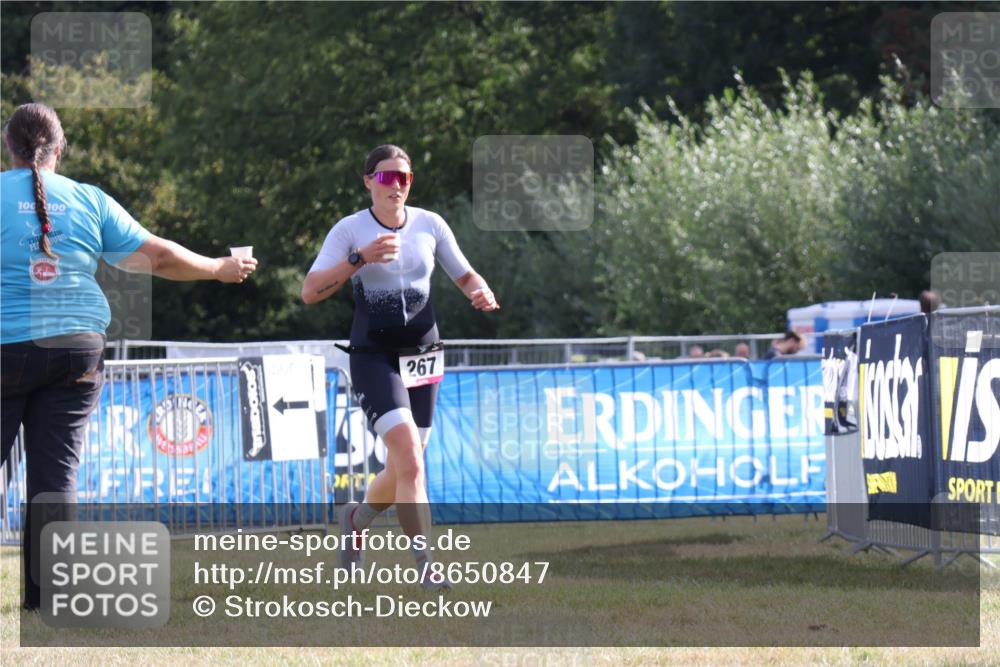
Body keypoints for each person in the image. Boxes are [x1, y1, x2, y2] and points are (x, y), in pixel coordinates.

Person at [1, 103, 258, 610]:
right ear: (59, 148)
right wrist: (217, 267)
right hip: (76, 351)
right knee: (56, 477)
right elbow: (157, 256)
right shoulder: (89, 200)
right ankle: (49, 596)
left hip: (6, 349)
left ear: (8, 147)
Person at [301, 144, 499, 590]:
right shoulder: (350, 230)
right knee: (409, 457)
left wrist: (479, 290)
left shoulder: (430, 224)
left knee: (406, 466)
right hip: (374, 355)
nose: (397, 186)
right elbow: (310, 292)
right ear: (368, 180)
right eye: (387, 177)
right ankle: (427, 567)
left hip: (424, 355)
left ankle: (355, 520)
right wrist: (359, 259)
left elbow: (464, 273)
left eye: (404, 178)